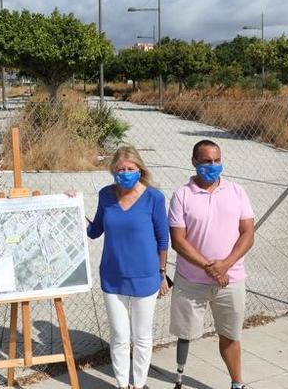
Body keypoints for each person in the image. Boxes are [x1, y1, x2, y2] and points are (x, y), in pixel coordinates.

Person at [168, 140, 255, 389]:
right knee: (185, 333)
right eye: (206, 161)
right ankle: (180, 378)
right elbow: (178, 241)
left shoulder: (237, 191)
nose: (213, 165)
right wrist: (211, 267)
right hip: (191, 281)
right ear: (194, 162)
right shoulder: (182, 195)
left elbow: (247, 233)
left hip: (231, 279)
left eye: (217, 160)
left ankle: (237, 383)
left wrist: (225, 265)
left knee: (230, 336)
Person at [86, 146, 170, 389]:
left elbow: (162, 238)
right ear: (113, 171)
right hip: (113, 277)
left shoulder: (154, 197)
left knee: (142, 337)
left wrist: (162, 273)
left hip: (146, 276)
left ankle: (140, 382)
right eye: (120, 169)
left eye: (130, 169)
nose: (125, 173)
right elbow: (95, 231)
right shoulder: (106, 195)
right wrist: (73, 207)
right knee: (120, 337)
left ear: (139, 169)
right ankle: (123, 384)